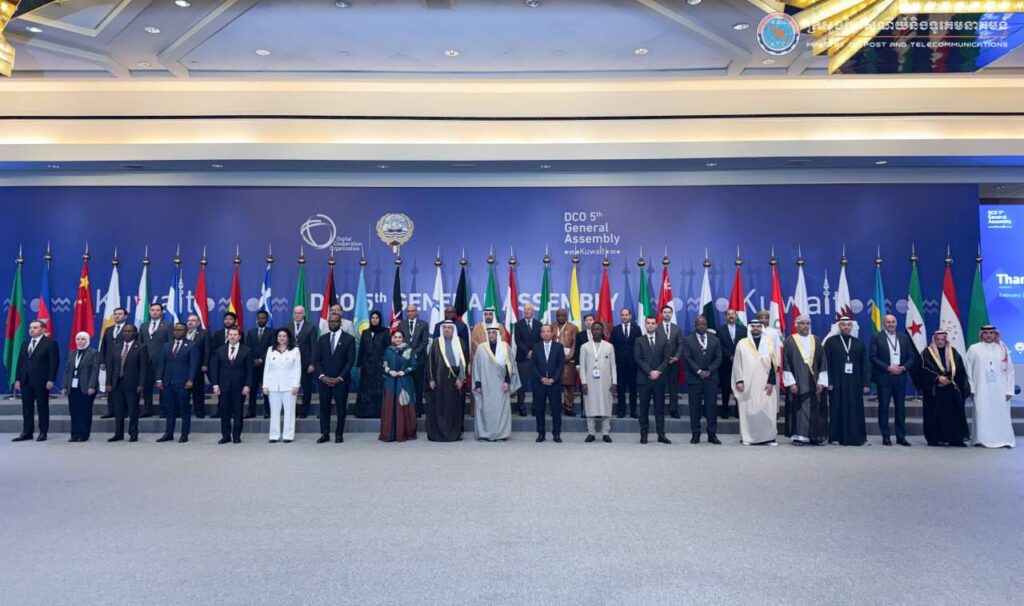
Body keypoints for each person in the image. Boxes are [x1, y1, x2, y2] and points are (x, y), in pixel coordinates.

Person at [869, 314, 918, 446]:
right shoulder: (876, 337)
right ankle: (886, 436)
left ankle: (901, 436)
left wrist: (903, 368)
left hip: (900, 377)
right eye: (888, 322)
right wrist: (888, 368)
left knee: (900, 409)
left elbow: (911, 357)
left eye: (893, 322)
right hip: (884, 377)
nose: (891, 324)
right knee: (884, 407)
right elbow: (873, 357)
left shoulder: (904, 337)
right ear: (884, 324)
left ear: (896, 323)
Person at [965, 324, 1016, 448]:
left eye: (991, 333)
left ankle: (1004, 440)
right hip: (981, 388)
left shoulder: (1003, 349)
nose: (989, 335)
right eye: (986, 333)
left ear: (995, 334)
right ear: (982, 334)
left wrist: (1009, 390)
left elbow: (1010, 371)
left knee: (1001, 414)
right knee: (982, 413)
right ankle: (981, 439)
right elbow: (968, 370)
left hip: (1000, 389)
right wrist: (971, 388)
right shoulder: (974, 349)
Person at [782, 315, 829, 445]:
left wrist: (821, 382)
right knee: (799, 408)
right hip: (798, 381)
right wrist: (791, 383)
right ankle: (799, 436)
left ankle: (815, 436)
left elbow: (823, 362)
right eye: (802, 323)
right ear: (797, 325)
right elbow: (786, 363)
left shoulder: (816, 340)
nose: (805, 326)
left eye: (807, 323)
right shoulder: (790, 340)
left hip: (814, 381)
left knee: (815, 408)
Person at [824, 317, 870, 446]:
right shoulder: (830, 342)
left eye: (848, 325)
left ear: (852, 327)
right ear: (839, 326)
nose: (846, 327)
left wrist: (866, 383)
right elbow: (826, 363)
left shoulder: (859, 343)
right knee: (837, 408)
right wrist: (829, 381)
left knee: (856, 409)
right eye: (843, 325)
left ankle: (857, 438)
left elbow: (865, 365)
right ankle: (836, 437)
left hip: (855, 382)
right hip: (836, 382)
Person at [730, 319, 778, 446]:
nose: (756, 328)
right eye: (753, 326)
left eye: (758, 326)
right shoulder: (742, 344)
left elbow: (774, 364)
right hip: (748, 383)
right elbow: (737, 364)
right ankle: (748, 438)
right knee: (748, 411)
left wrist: (771, 382)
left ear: (762, 328)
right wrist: (739, 381)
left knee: (767, 410)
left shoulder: (768, 343)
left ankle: (768, 438)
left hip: (765, 383)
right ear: (749, 328)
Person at [12, 320, 59, 442]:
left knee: (42, 407)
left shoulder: (50, 343)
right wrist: (17, 379)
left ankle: (43, 432)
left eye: (35, 327)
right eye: (30, 327)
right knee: (27, 408)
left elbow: (54, 363)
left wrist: (51, 379)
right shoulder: (25, 344)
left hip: (41, 381)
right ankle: (27, 432)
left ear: (43, 330)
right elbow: (20, 363)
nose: (31, 330)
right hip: (26, 380)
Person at [920, 331, 969, 447]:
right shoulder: (927, 352)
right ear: (934, 340)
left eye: (942, 339)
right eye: (938, 339)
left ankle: (955, 438)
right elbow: (923, 370)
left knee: (953, 414)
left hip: (951, 387)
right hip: (935, 389)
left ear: (945, 340)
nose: (940, 342)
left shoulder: (953, 352)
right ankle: (936, 439)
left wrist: (949, 379)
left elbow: (959, 369)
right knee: (935, 415)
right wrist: (938, 378)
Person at [315, 312, 356, 444]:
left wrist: (340, 377)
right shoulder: (322, 339)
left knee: (341, 408)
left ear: (340, 323)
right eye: (330, 321)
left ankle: (339, 434)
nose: (333, 323)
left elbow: (350, 361)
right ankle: (325, 433)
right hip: (324, 380)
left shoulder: (349, 339)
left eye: (335, 321)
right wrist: (322, 376)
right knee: (324, 408)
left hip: (341, 381)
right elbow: (317, 360)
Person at [473, 326, 520, 441]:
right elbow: (476, 368)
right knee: (486, 410)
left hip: (500, 385)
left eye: (493, 333)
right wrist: (478, 384)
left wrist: (507, 382)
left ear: (497, 335)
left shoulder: (505, 347)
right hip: (485, 385)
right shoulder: (481, 348)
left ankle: (501, 434)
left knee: (500, 411)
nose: (491, 335)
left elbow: (510, 366)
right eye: (489, 333)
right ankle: (485, 434)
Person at [155, 322, 199, 443]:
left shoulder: (192, 345)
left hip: (183, 382)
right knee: (169, 409)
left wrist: (191, 379)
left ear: (186, 332)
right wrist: (159, 379)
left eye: (180, 330)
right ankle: (169, 433)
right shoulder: (166, 345)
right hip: (167, 382)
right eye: (175, 330)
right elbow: (161, 364)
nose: (177, 332)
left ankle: (184, 434)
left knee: (184, 409)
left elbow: (193, 365)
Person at [682, 316, 723, 444]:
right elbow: (687, 358)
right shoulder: (688, 340)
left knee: (711, 408)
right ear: (695, 326)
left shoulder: (715, 340)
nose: (702, 326)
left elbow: (718, 358)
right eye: (699, 324)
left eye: (704, 324)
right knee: (695, 408)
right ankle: (696, 434)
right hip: (695, 379)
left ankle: (712, 435)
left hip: (711, 379)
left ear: (707, 325)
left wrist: (709, 370)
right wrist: (699, 371)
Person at [426, 320, 468, 442]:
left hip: (455, 380)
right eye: (445, 328)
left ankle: (454, 433)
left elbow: (464, 362)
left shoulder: (460, 342)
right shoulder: (436, 343)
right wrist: (431, 379)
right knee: (440, 406)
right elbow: (430, 362)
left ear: (453, 329)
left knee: (454, 407)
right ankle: (440, 433)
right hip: (440, 379)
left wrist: (461, 378)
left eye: (449, 328)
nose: (447, 330)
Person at [210, 327, 253, 444]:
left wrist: (248, 385)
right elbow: (215, 369)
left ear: (239, 337)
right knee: (224, 412)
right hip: (223, 386)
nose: (232, 337)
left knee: (238, 411)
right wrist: (215, 385)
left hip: (240, 386)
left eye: (235, 335)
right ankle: (225, 436)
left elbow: (250, 370)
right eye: (230, 334)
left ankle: (236, 436)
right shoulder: (220, 350)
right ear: (227, 336)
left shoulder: (247, 350)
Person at [106, 324, 147, 442]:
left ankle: (133, 433)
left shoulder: (141, 347)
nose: (127, 333)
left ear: (135, 333)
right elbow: (111, 366)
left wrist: (141, 384)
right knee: (118, 410)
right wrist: (108, 383)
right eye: (125, 331)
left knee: (133, 410)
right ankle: (118, 433)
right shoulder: (116, 347)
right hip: (117, 383)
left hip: (132, 384)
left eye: (130, 331)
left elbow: (143, 368)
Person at [635, 316, 670, 444]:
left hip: (659, 379)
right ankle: (644, 435)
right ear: (645, 325)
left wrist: (657, 372)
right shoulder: (639, 340)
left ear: (656, 325)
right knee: (643, 409)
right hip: (644, 379)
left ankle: (661, 435)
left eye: (653, 323)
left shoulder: (663, 340)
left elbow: (666, 359)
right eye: (648, 323)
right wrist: (650, 372)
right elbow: (638, 359)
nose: (650, 325)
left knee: (659, 409)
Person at [579, 321, 617, 443]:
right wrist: (583, 382)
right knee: (590, 406)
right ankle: (591, 433)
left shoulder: (609, 346)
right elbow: (582, 367)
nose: (596, 331)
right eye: (594, 329)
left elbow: (613, 365)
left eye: (598, 329)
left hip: (606, 382)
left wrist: (614, 382)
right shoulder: (584, 346)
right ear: (591, 331)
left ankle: (605, 432)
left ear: (602, 331)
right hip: (590, 382)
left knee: (606, 406)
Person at [263, 328, 302, 443]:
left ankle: (288, 435)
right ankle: (274, 435)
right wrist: (265, 385)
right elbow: (267, 369)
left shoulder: (295, 350)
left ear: (288, 337)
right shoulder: (270, 350)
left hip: (289, 386)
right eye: (279, 336)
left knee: (289, 412)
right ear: (276, 338)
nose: (282, 338)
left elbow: (297, 368)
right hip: (273, 386)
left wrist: (296, 385)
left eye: (284, 336)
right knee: (274, 412)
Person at [61, 331, 100, 442]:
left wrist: (92, 386)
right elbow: (67, 371)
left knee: (85, 411)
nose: (80, 341)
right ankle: (74, 434)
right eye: (78, 339)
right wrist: (65, 386)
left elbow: (95, 370)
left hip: (86, 386)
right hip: (73, 387)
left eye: (83, 339)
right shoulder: (72, 353)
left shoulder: (93, 353)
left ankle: (84, 434)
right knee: (74, 411)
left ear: (87, 340)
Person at [380, 329, 417, 442]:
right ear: (392, 338)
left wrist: (404, 372)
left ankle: (404, 432)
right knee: (389, 406)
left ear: (403, 338)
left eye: (400, 337)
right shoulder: (388, 350)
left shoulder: (409, 350)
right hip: (391, 381)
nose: (397, 339)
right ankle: (389, 434)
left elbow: (414, 365)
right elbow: (384, 364)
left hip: (405, 382)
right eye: (395, 337)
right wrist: (389, 371)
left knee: (404, 406)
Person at [530, 323, 565, 443]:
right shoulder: (536, 347)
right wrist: (541, 378)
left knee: (556, 410)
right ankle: (541, 433)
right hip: (539, 383)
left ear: (552, 333)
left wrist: (553, 379)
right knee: (539, 410)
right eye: (543, 332)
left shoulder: (558, 347)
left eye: (548, 331)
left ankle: (556, 434)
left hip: (554, 384)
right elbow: (533, 366)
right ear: (540, 334)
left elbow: (561, 366)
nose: (546, 334)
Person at [355, 310, 389, 418]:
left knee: (379, 388)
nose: (374, 320)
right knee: (366, 389)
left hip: (380, 365)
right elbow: (361, 349)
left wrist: (387, 364)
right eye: (373, 318)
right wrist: (359, 364)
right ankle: (365, 412)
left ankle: (378, 412)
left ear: (380, 320)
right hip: (367, 365)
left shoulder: (385, 331)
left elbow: (388, 349)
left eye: (376, 318)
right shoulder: (365, 332)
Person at [139, 302, 171, 418]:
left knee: (162, 386)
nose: (155, 312)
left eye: (157, 310)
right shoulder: (144, 326)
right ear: (149, 312)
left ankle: (163, 409)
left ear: (162, 312)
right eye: (153, 310)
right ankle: (147, 409)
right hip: (146, 362)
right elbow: (140, 343)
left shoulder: (167, 325)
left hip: (161, 362)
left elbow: (170, 343)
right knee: (147, 387)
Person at [397, 303, 429, 417]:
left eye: (413, 311)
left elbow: (424, 342)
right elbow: (399, 341)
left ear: (417, 312)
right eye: (409, 311)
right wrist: (406, 353)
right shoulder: (401, 325)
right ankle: (407, 410)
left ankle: (418, 410)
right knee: (406, 386)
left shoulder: (423, 324)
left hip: (419, 360)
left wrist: (414, 353)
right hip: (405, 361)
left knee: (418, 386)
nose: (410, 313)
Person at [286, 306, 317, 419]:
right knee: (290, 388)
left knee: (306, 387)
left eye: (299, 313)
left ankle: (304, 410)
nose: (297, 315)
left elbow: (314, 347)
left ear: (304, 314)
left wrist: (312, 363)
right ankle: (292, 410)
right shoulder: (287, 327)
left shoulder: (311, 327)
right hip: (290, 364)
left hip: (306, 363)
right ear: (293, 314)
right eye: (295, 313)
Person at [210, 311, 243, 419]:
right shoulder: (218, 333)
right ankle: (220, 410)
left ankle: (233, 411)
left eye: (230, 319)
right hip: (222, 367)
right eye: (226, 319)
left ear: (234, 321)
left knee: (234, 395)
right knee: (222, 392)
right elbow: (214, 349)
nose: (228, 321)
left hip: (235, 367)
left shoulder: (240, 334)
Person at [98, 306, 127, 419]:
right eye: (115, 314)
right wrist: (102, 361)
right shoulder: (109, 329)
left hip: (124, 363)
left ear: (125, 316)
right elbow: (103, 347)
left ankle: (123, 410)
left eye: (120, 314)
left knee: (122, 387)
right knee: (109, 386)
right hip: (110, 363)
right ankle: (110, 410)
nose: (117, 316)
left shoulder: (129, 329)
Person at [610, 308, 640, 418]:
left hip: (633, 364)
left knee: (633, 389)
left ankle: (633, 411)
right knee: (621, 389)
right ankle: (621, 411)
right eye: (622, 315)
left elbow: (639, 345)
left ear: (630, 316)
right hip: (620, 364)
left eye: (626, 315)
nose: (624, 317)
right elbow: (612, 346)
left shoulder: (636, 329)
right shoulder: (615, 329)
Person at [718, 309, 747, 419]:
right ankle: (724, 410)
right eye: (728, 314)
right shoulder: (720, 330)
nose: (731, 316)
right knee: (725, 387)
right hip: (726, 363)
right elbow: (719, 345)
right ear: (725, 317)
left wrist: (738, 357)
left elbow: (746, 345)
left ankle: (738, 411)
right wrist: (730, 356)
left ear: (736, 316)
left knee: (739, 386)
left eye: (733, 314)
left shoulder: (743, 329)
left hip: (741, 363)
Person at [513, 303, 541, 417]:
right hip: (522, 358)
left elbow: (540, 340)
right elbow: (517, 341)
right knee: (522, 385)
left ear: (533, 311)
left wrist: (533, 352)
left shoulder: (539, 324)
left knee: (536, 384)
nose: (526, 311)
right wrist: (527, 352)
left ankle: (535, 407)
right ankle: (521, 406)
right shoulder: (518, 324)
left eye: (529, 309)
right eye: (525, 309)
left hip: (536, 359)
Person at [245, 310, 274, 419]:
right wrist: (253, 360)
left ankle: (267, 411)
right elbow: (247, 348)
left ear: (267, 319)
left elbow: (272, 348)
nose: (261, 320)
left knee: (266, 389)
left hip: (266, 366)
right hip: (253, 366)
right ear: (256, 319)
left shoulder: (272, 332)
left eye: (263, 318)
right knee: (252, 390)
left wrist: (261, 360)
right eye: (259, 318)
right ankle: (251, 411)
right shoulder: (251, 332)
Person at [659, 305, 684, 419]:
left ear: (672, 314)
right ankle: (660, 409)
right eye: (665, 312)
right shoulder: (656, 327)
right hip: (660, 363)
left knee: (673, 387)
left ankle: (674, 409)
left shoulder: (677, 328)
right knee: (660, 387)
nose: (667, 314)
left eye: (669, 312)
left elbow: (681, 344)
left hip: (674, 362)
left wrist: (676, 357)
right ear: (661, 314)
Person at [185, 314, 211, 418]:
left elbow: (207, 350)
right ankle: (184, 410)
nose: (190, 322)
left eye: (193, 320)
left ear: (198, 323)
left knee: (198, 390)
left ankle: (199, 410)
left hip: (198, 366)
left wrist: (205, 363)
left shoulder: (204, 333)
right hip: (184, 366)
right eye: (189, 320)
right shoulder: (183, 332)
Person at [553, 309, 578, 417]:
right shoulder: (552, 326)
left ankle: (569, 408)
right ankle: (556, 408)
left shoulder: (573, 327)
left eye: (563, 315)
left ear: (566, 316)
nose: (561, 317)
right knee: (555, 386)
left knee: (569, 386)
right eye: (559, 315)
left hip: (568, 360)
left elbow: (575, 344)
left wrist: (569, 356)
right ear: (556, 316)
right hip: (554, 360)